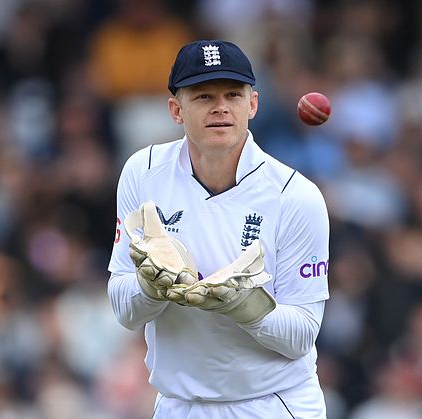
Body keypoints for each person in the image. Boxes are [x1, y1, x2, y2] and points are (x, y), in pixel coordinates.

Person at [107, 39, 330, 418]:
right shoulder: (142, 173)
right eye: (203, 96)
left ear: (253, 104)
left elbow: (301, 335)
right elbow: (124, 309)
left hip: (272, 404)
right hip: (180, 405)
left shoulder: (295, 196)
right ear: (176, 110)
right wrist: (151, 287)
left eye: (232, 94)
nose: (221, 107)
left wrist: (243, 304)